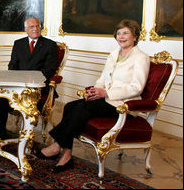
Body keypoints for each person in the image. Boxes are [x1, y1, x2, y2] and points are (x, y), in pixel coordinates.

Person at [33, 19, 150, 173]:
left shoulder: (141, 57)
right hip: (106, 99)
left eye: (126, 33)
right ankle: (66, 154)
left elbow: (137, 87)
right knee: (70, 106)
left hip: (123, 104)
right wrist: (96, 91)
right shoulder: (114, 54)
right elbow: (102, 78)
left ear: (135, 36)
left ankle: (56, 146)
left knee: (82, 109)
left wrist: (106, 93)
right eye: (119, 33)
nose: (121, 36)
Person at [0, 17, 58, 139]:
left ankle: (27, 135)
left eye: (37, 26)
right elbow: (12, 65)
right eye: (32, 27)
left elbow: (49, 70)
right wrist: (15, 79)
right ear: (25, 29)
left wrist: (31, 79)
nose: (35, 29)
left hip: (38, 86)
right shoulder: (18, 43)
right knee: (1, 95)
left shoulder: (49, 45)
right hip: (18, 83)